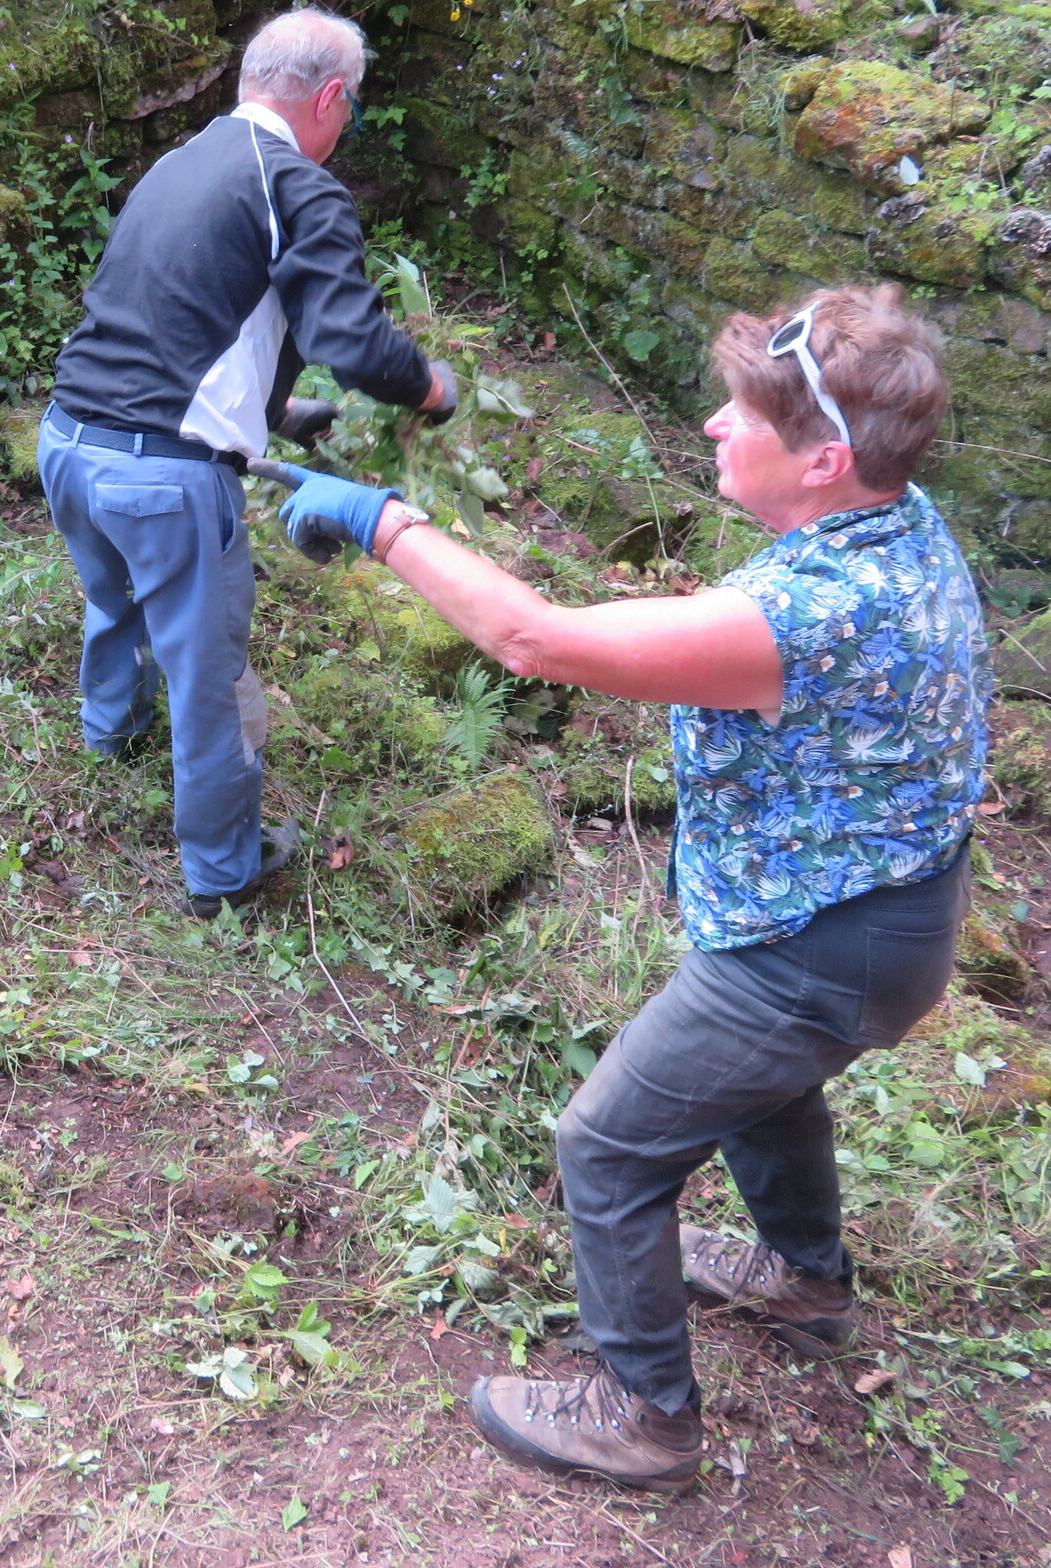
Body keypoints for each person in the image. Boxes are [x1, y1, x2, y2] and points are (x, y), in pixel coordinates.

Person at [276, 284, 989, 1492]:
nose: (715, 425)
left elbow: (534, 642)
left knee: (605, 1149)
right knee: (764, 1090)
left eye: (742, 415)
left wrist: (382, 520)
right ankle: (805, 1281)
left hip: (819, 945)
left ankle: (645, 1416)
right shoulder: (896, 523)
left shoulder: (813, 613)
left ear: (824, 461)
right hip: (877, 915)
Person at [41, 9, 455, 915]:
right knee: (212, 683)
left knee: (115, 600)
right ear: (332, 97)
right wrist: (429, 389)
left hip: (69, 443)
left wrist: (278, 414)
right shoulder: (298, 185)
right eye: (352, 110)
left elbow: (176, 316)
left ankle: (110, 740)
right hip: (163, 482)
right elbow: (353, 342)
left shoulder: (178, 162)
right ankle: (224, 876)